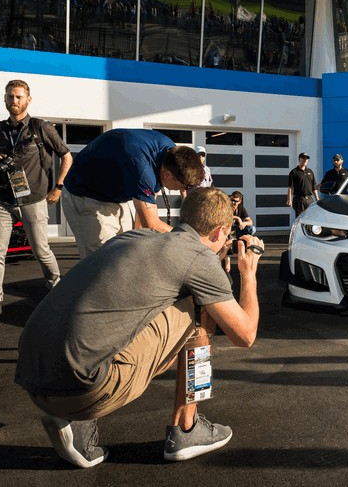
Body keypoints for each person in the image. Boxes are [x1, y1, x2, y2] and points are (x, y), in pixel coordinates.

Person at [14, 187, 264, 468]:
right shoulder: (199, 257)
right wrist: (248, 272)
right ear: (219, 233)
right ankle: (187, 427)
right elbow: (245, 335)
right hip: (82, 391)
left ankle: (78, 425)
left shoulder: (135, 236)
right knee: (199, 308)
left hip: (35, 378)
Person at [0, 79, 73, 323]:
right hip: (2, 199)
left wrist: (59, 187)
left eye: (19, 97)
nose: (14, 101)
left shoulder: (41, 127)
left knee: (41, 250)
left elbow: (67, 156)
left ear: (28, 99)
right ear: (5, 99)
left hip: (33, 199)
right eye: (10, 96)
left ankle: (58, 294)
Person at [62, 129, 204, 258]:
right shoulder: (142, 168)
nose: (183, 190)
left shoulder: (171, 153)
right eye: (182, 186)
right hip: (85, 196)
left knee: (126, 252)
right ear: (168, 175)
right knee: (102, 262)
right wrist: (190, 238)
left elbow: (144, 213)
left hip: (113, 195)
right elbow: (152, 224)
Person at [223, 191, 255, 272]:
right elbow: (227, 217)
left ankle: (242, 243)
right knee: (227, 242)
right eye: (232, 200)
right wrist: (238, 219)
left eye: (235, 201)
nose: (233, 202)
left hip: (237, 229)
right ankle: (227, 260)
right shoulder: (227, 206)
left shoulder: (241, 208)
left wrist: (244, 223)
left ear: (240, 201)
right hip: (227, 227)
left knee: (252, 228)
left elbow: (250, 222)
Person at [286, 152, 319, 217]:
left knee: (311, 217)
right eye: (303, 158)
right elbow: (290, 188)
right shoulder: (294, 172)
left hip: (310, 199)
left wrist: (317, 198)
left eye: (306, 159)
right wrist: (289, 200)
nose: (305, 160)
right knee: (300, 218)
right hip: (299, 199)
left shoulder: (310, 171)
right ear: (299, 160)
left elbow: (314, 187)